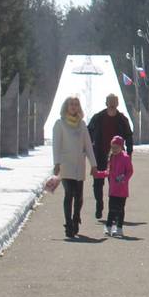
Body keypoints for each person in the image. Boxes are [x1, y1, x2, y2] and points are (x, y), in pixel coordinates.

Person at [51, 95, 97, 239]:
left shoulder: (82, 124)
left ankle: (76, 218)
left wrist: (93, 165)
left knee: (79, 197)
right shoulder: (60, 124)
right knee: (68, 194)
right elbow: (56, 145)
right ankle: (68, 224)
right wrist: (56, 163)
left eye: (76, 104)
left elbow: (88, 146)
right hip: (66, 165)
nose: (74, 107)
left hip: (79, 165)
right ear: (66, 106)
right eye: (71, 104)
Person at [86, 93, 134, 221]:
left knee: (116, 185)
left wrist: (129, 154)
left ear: (117, 104)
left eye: (114, 102)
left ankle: (113, 211)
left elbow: (129, 136)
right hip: (99, 154)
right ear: (106, 103)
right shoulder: (98, 118)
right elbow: (87, 132)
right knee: (97, 182)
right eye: (110, 101)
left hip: (116, 158)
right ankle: (99, 204)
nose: (112, 104)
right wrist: (88, 147)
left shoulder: (122, 119)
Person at [95, 136, 134, 238]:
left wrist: (124, 179)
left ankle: (119, 228)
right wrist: (98, 174)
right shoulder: (111, 158)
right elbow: (108, 172)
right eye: (112, 147)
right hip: (113, 190)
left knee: (120, 210)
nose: (114, 149)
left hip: (122, 190)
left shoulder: (125, 158)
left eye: (116, 147)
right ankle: (108, 227)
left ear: (121, 147)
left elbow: (130, 171)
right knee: (111, 209)